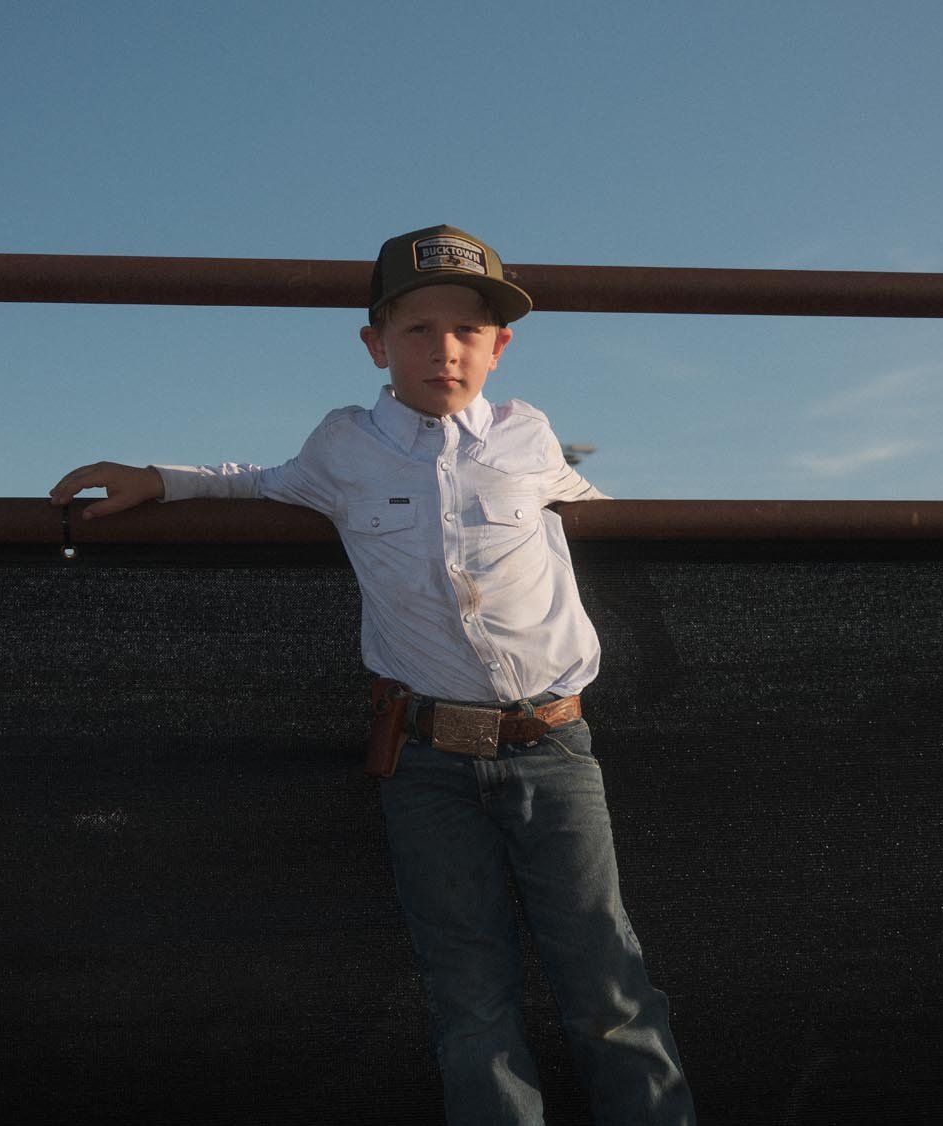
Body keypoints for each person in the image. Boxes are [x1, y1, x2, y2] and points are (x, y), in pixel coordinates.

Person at [49, 224, 695, 1125]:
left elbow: (607, 513)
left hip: (553, 743)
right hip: (428, 763)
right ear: (375, 344)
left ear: (500, 348)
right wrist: (156, 478)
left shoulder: (530, 436)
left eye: (469, 331)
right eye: (419, 329)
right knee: (470, 997)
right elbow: (256, 481)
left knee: (609, 983)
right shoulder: (343, 448)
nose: (446, 349)